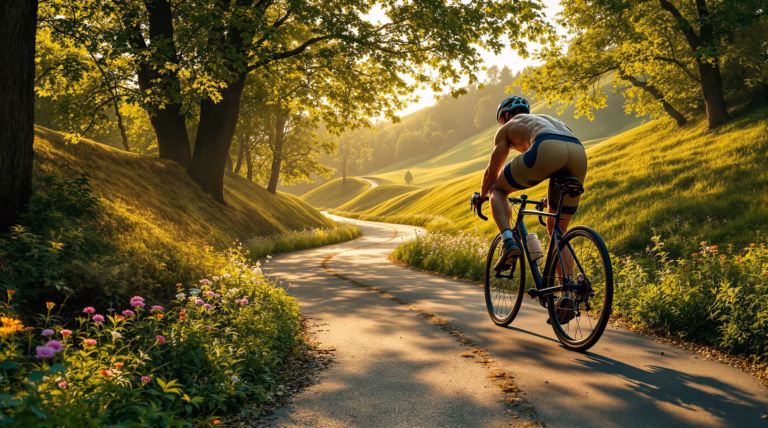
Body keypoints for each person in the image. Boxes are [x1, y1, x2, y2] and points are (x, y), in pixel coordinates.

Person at [473, 96, 587, 272]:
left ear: (504, 117)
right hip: (578, 151)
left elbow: (492, 171)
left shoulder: (507, 127)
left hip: (546, 144)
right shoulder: (550, 120)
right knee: (557, 230)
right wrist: (551, 199)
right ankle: (568, 293)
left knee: (497, 188)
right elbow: (558, 163)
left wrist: (482, 195)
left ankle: (508, 242)